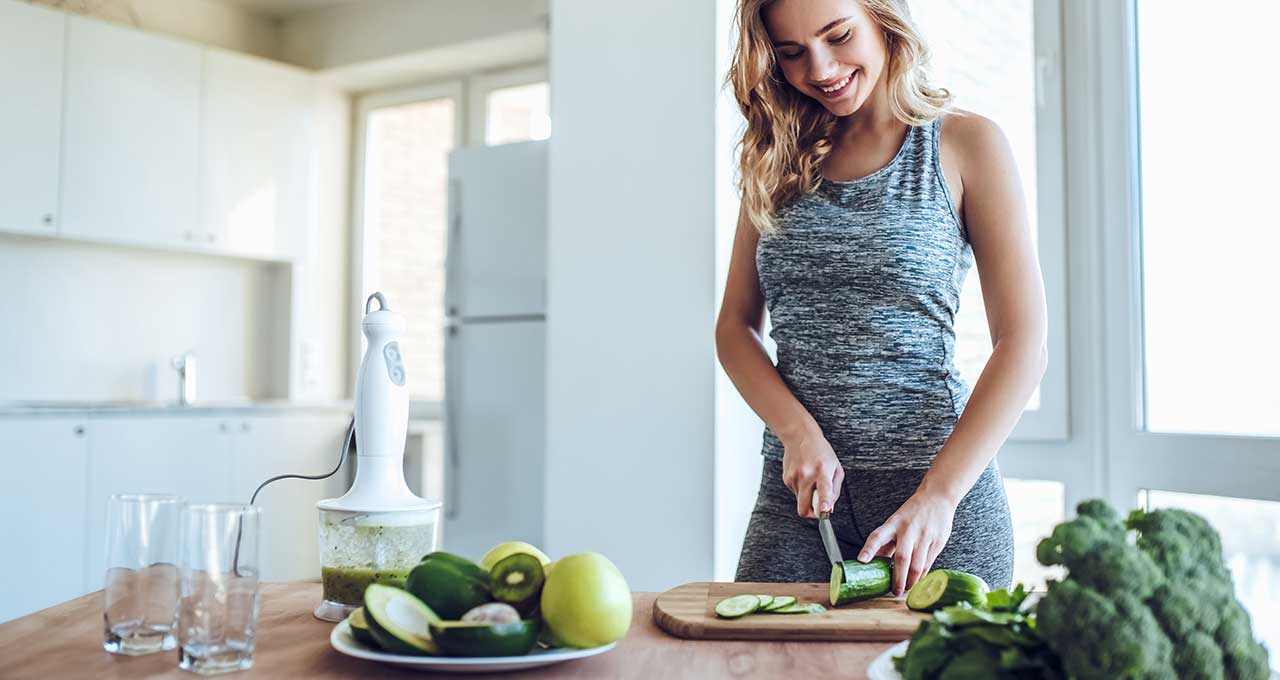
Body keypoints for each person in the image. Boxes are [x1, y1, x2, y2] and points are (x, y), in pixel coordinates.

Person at [718, 0, 1048, 596]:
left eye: (838, 35)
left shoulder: (966, 144)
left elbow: (1023, 342)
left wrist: (941, 495)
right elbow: (735, 327)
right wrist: (795, 431)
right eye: (791, 52)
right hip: (797, 501)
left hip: (936, 499)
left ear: (883, 19)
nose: (819, 68)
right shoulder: (773, 158)